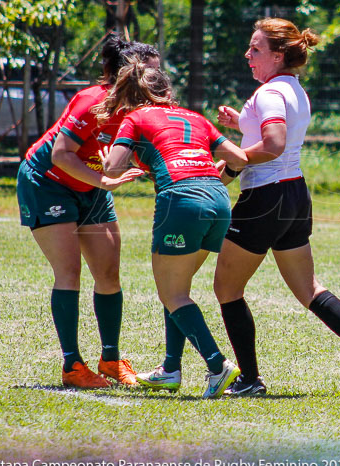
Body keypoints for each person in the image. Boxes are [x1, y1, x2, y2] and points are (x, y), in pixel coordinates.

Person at [212, 18, 340, 397]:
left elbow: (273, 143)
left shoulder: (268, 94)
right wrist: (240, 124)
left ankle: (250, 380)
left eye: (256, 49)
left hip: (265, 197)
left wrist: (231, 162)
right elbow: (274, 135)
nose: (248, 55)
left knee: (227, 288)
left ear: (278, 55)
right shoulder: (292, 89)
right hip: (294, 195)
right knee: (308, 289)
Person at [98, 61, 248, 398]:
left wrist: (110, 158)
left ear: (131, 95)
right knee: (176, 288)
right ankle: (170, 369)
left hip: (181, 201)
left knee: (173, 294)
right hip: (218, 202)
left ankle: (217, 365)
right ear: (167, 89)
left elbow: (113, 165)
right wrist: (211, 181)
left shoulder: (134, 118)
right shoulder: (195, 117)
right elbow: (239, 158)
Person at [17, 34, 159, 389]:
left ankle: (110, 360)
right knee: (70, 271)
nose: (159, 82)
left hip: (93, 185)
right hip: (48, 182)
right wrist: (104, 181)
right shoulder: (94, 101)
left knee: (109, 271)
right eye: (151, 74)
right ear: (129, 74)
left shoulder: (143, 109)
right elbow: (61, 154)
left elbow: (147, 151)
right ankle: (72, 366)